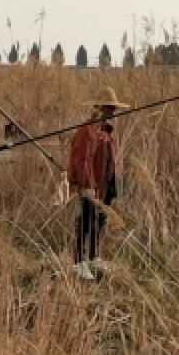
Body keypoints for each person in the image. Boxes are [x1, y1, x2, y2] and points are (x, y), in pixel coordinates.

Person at [67, 86, 129, 280]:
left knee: (100, 221)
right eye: (109, 108)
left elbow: (109, 159)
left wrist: (114, 182)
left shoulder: (106, 131)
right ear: (100, 108)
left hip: (105, 185)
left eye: (113, 108)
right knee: (85, 222)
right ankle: (78, 262)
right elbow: (81, 159)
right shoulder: (87, 131)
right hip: (91, 187)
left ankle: (94, 257)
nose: (112, 112)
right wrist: (87, 185)